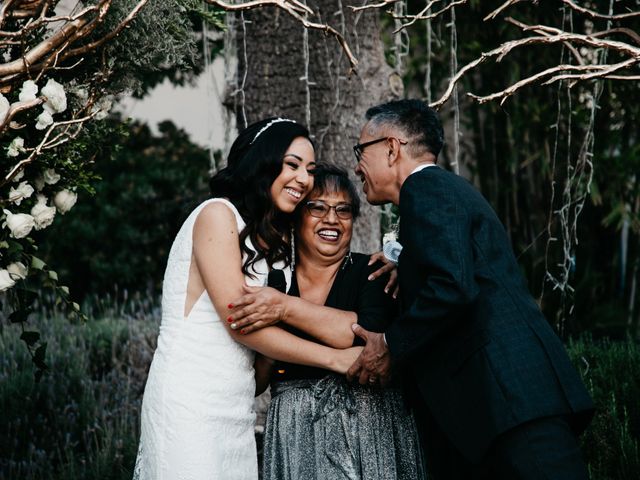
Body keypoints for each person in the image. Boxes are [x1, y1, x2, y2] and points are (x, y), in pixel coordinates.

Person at [347, 99, 594, 480]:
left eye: (360, 150)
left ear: (392, 148)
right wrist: (409, 271)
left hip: (509, 403)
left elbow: (453, 287)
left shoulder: (425, 189)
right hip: (502, 408)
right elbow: (460, 271)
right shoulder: (442, 191)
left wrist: (391, 344)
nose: (356, 165)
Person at [133, 118, 363, 480]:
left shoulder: (276, 245)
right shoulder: (216, 214)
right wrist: (335, 360)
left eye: (309, 169)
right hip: (189, 401)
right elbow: (239, 324)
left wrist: (393, 262)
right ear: (263, 161)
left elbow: (260, 370)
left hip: (238, 407)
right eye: (292, 165)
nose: (304, 178)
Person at [227, 165, 426, 479]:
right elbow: (259, 381)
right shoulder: (274, 279)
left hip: (365, 430)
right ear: (295, 217)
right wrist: (268, 346)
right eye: (317, 207)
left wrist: (283, 311)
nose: (331, 219)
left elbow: (364, 337)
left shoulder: (372, 271)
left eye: (343, 210)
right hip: (293, 433)